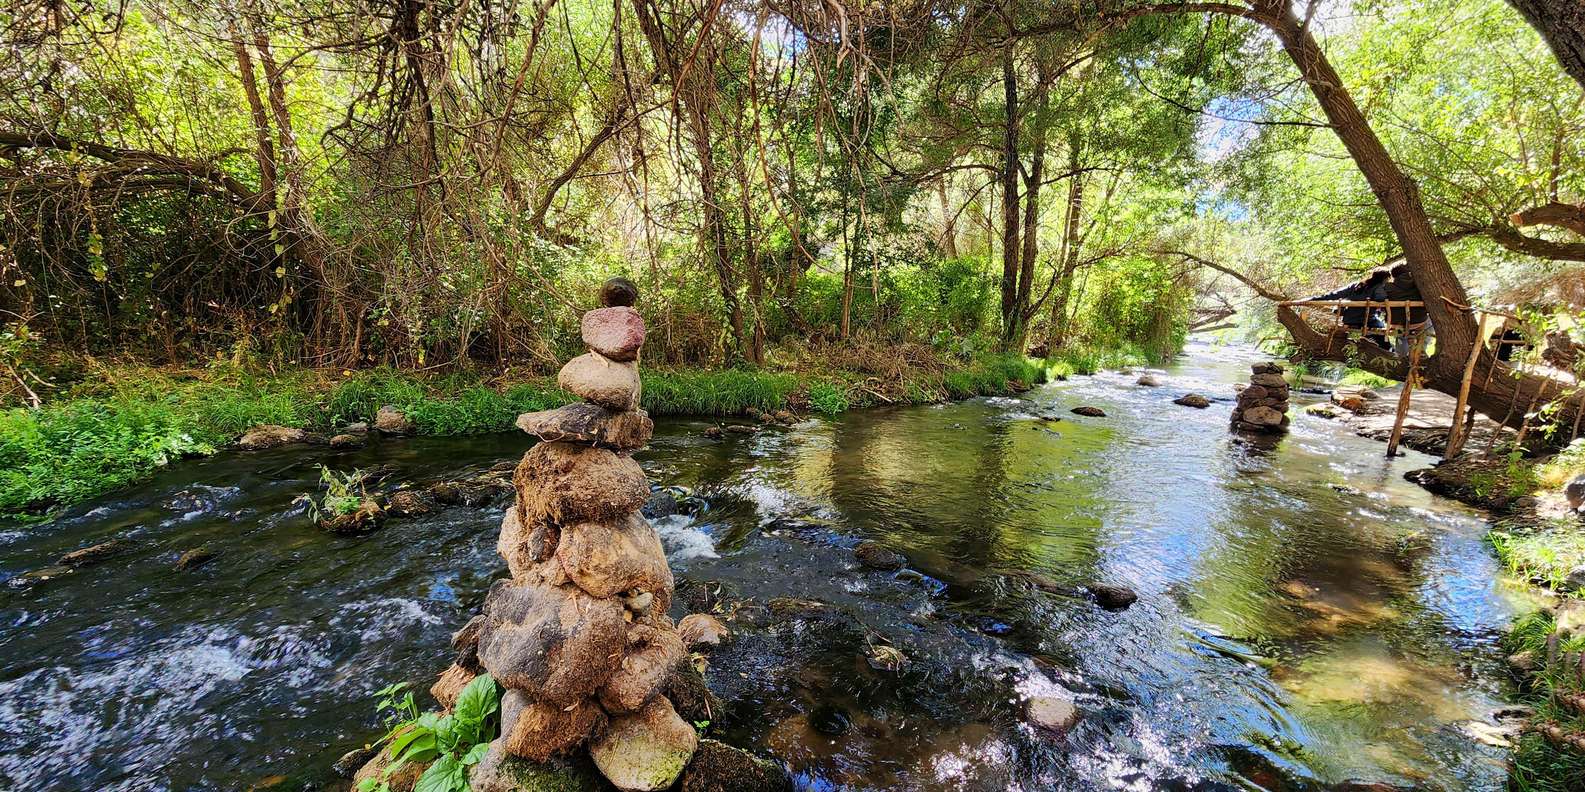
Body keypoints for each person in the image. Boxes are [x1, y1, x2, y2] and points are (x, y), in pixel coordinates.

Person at [1298, 270, 1391, 349]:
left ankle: (1373, 347)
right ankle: (1386, 350)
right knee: (1381, 328)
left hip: (1349, 320)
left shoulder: (1356, 285)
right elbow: (1382, 299)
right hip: (1366, 320)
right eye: (1387, 280)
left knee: (1375, 329)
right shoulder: (1379, 287)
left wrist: (1313, 299)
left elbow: (1335, 294)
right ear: (1384, 279)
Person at [1382, 263, 1429, 355]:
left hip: (1396, 323)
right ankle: (1421, 349)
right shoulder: (1420, 285)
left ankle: (1401, 355)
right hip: (1419, 322)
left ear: (1394, 275)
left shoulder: (1387, 287)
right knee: (1429, 322)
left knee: (1400, 334)